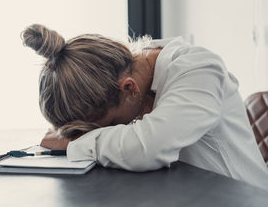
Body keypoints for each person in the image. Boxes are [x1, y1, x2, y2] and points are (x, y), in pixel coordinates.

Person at [21, 24, 268, 189]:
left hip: (246, 198)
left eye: (113, 125)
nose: (112, 131)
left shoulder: (199, 69)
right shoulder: (123, 76)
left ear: (129, 89)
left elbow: (147, 148)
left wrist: (76, 143)